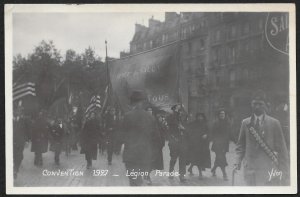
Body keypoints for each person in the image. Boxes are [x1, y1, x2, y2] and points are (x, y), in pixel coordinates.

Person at [234, 90, 289, 186]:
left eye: (260, 104)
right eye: (255, 103)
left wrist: (285, 171)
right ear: (251, 104)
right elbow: (240, 146)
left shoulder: (274, 123)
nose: (257, 106)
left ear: (265, 105)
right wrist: (237, 161)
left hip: (267, 170)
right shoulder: (245, 123)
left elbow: (282, 149)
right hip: (250, 170)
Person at [122, 90, 156, 186]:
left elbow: (121, 135)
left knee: (133, 182)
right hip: (145, 154)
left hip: (131, 154)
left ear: (132, 103)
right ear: (142, 102)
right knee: (140, 181)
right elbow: (156, 137)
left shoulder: (127, 116)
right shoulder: (150, 117)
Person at [166, 104, 189, 183]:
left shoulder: (183, 117)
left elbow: (187, 128)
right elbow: (169, 129)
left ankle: (182, 175)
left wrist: (184, 128)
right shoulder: (171, 117)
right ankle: (171, 172)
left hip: (182, 141)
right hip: (174, 141)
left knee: (182, 159)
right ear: (174, 109)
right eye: (178, 108)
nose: (180, 111)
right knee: (173, 158)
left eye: (180, 109)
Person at [143, 107, 165, 185]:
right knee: (150, 160)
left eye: (151, 110)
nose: (150, 111)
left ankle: (146, 174)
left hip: (155, 143)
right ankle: (147, 176)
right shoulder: (144, 119)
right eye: (148, 110)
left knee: (153, 160)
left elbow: (159, 131)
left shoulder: (154, 119)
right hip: (147, 143)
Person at [187, 113, 211, 179]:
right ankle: (200, 173)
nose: (200, 118)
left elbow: (209, 132)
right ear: (197, 117)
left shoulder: (205, 124)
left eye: (201, 117)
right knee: (198, 159)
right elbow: (190, 132)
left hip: (204, 145)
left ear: (203, 117)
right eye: (199, 117)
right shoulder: (193, 124)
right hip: (196, 144)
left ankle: (190, 168)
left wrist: (206, 135)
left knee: (199, 159)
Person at [211, 109, 231, 181]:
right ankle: (224, 174)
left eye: (223, 113)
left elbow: (230, 133)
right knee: (222, 158)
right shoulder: (216, 123)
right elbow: (213, 133)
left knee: (219, 158)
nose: (222, 115)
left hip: (225, 144)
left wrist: (235, 141)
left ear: (225, 115)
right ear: (218, 115)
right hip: (217, 144)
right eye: (220, 114)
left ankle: (214, 169)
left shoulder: (228, 123)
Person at [13, 106, 30, 179]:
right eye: (17, 111)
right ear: (14, 111)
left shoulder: (24, 121)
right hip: (11, 141)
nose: (19, 112)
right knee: (12, 155)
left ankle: (15, 169)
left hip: (20, 141)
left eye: (20, 111)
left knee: (19, 156)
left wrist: (27, 140)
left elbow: (27, 131)